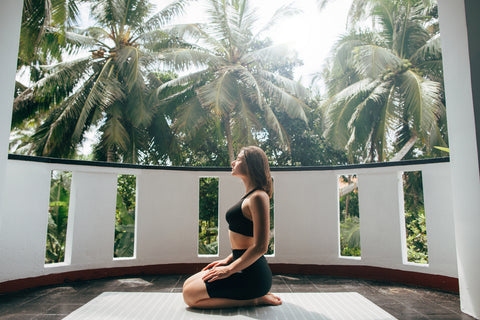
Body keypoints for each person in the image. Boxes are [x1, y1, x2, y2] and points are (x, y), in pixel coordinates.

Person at [182, 146, 282, 309]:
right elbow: (244, 242)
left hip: (252, 275)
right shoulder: (249, 196)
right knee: (188, 284)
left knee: (190, 296)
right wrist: (227, 260)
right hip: (239, 263)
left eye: (239, 159)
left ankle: (256, 299)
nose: (233, 162)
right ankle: (252, 296)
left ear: (251, 165)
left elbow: (261, 247)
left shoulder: (259, 196)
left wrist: (229, 270)